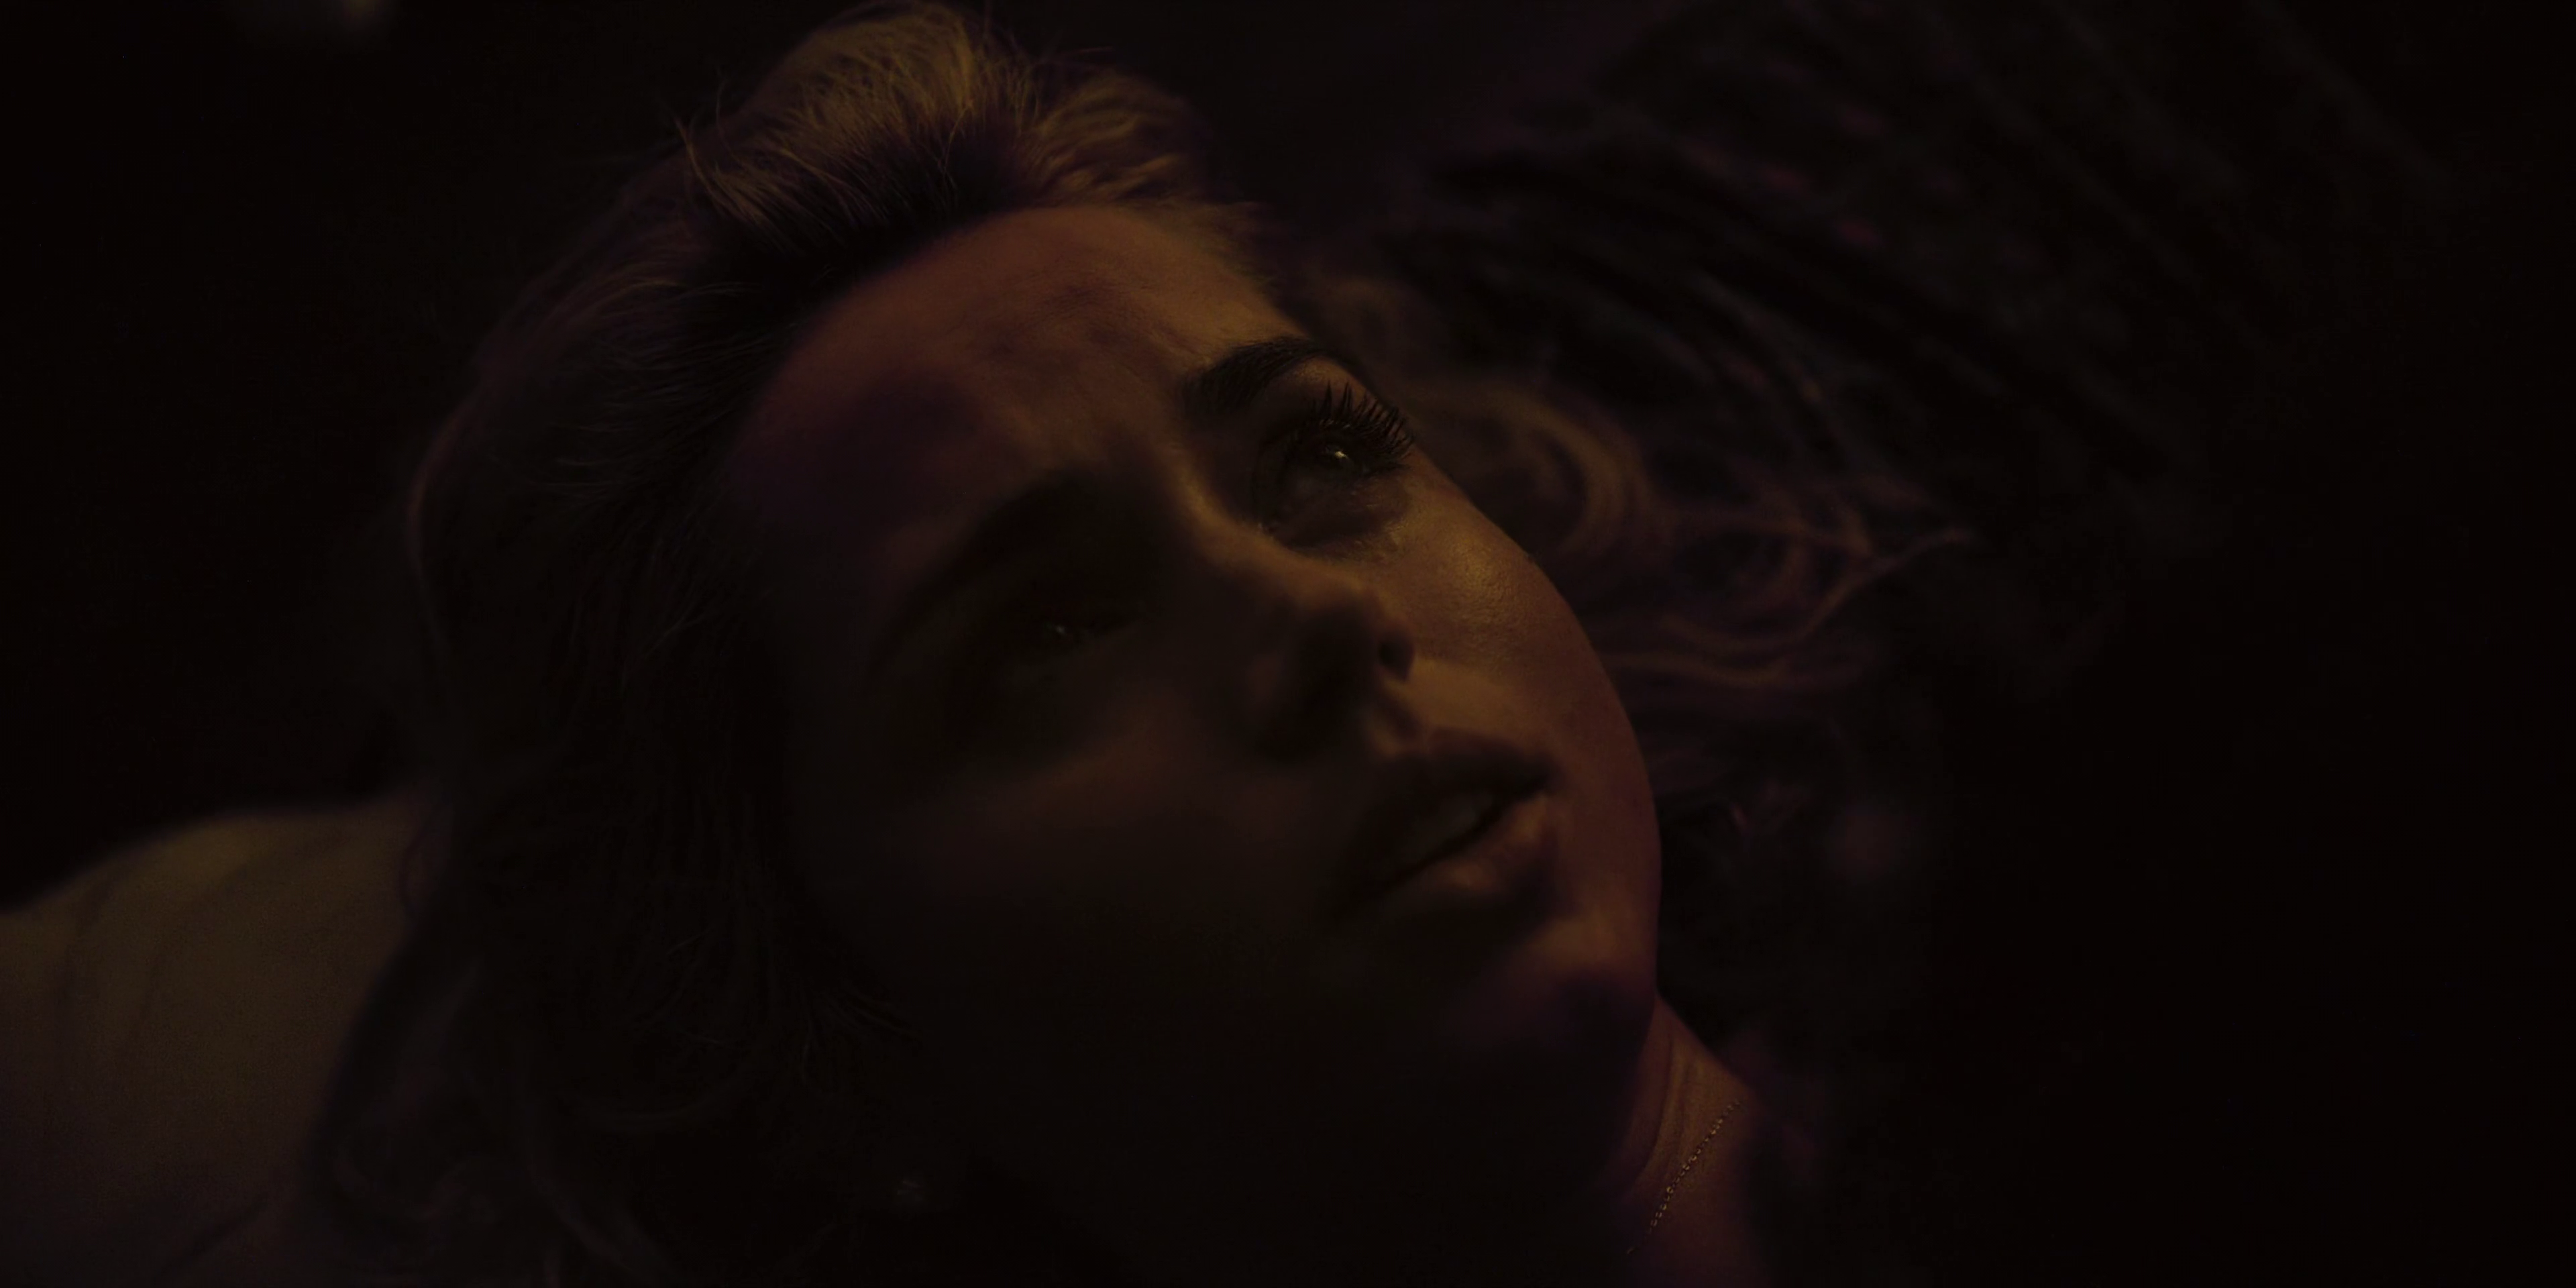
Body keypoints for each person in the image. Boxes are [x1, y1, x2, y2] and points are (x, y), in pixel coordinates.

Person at [3, 1, 2465, 1284]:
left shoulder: (2216, 889)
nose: (1299, 614)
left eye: (1318, 456)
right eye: (1045, 628)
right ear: (848, 1057)